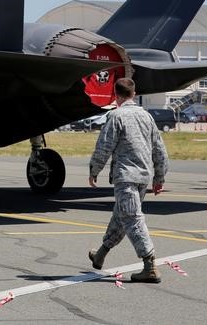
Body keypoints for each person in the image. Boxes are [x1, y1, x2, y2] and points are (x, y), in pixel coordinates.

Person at [87, 78, 168, 283]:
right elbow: (159, 149)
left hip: (126, 176)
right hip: (143, 176)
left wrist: (94, 169)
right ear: (134, 93)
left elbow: (104, 146)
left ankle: (149, 264)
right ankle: (101, 253)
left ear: (116, 94)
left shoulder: (116, 116)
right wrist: (159, 177)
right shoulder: (147, 116)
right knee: (121, 215)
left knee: (131, 218)